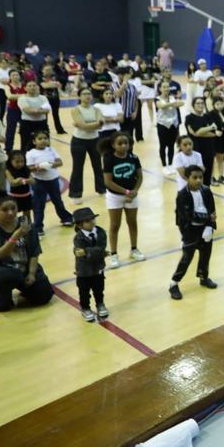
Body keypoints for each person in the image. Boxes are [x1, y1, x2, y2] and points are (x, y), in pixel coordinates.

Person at [0, 196, 55, 313]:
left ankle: (25, 290)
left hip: (24, 268)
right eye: (5, 210)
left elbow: (35, 251)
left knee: (44, 296)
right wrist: (16, 235)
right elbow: (1, 255)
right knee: (10, 279)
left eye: (13, 208)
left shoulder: (26, 224)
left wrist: (31, 273)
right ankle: (3, 297)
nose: (10, 213)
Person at [169, 166, 218, 299]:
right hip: (190, 231)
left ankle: (203, 277)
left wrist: (210, 226)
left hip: (205, 229)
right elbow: (189, 216)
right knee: (187, 258)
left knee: (205, 255)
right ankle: (174, 283)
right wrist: (208, 218)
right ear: (187, 178)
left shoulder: (206, 191)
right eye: (194, 177)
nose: (198, 180)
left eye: (200, 177)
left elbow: (212, 211)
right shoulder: (182, 195)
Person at [100, 133, 144, 267]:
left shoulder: (134, 158)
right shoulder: (109, 159)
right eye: (120, 143)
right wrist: (126, 192)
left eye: (126, 143)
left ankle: (134, 249)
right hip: (115, 196)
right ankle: (114, 254)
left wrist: (135, 191)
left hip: (131, 196)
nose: (123, 146)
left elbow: (140, 177)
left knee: (132, 223)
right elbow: (108, 182)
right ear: (113, 145)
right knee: (115, 225)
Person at [26, 130, 73, 234]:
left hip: (53, 180)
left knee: (58, 201)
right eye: (40, 139)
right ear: (34, 141)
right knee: (39, 205)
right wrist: (39, 167)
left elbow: (59, 162)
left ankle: (66, 218)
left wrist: (50, 165)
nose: (43, 140)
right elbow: (29, 168)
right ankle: (38, 227)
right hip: (39, 182)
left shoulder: (51, 150)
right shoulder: (31, 153)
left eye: (45, 138)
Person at [71, 206, 109, 322]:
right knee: (84, 292)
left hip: (98, 269)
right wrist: (100, 253)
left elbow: (101, 248)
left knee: (99, 289)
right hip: (84, 271)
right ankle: (85, 308)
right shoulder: (78, 238)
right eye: (88, 221)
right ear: (79, 225)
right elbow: (81, 254)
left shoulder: (101, 232)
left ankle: (100, 304)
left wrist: (87, 251)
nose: (92, 222)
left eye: (93, 219)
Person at [68, 87, 104, 199]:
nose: (87, 96)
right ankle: (75, 194)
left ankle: (102, 189)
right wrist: (93, 124)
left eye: (89, 93)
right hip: (79, 141)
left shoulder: (96, 109)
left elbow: (100, 124)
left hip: (95, 140)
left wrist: (86, 125)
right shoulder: (76, 109)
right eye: (84, 94)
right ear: (79, 96)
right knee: (78, 168)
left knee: (98, 166)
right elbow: (83, 126)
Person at [155, 80, 183, 172]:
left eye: (167, 87)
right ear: (160, 89)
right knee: (163, 145)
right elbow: (161, 106)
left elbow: (181, 103)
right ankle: (164, 165)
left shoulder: (172, 97)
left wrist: (171, 103)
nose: (166, 89)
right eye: (164, 87)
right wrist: (173, 103)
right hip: (162, 124)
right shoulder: (157, 99)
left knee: (171, 146)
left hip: (173, 124)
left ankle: (170, 164)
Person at [15, 80, 50, 153]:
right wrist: (40, 109)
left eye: (34, 85)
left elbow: (47, 110)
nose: (32, 87)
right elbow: (28, 111)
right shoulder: (22, 98)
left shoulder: (43, 98)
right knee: (26, 145)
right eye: (30, 86)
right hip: (27, 124)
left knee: (45, 145)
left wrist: (35, 110)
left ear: (37, 87)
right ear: (25, 88)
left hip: (42, 124)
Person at [209, 95, 224, 185]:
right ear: (214, 105)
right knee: (213, 159)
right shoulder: (210, 114)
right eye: (217, 104)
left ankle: (221, 176)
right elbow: (209, 125)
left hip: (223, 138)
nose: (219, 106)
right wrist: (215, 131)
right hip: (213, 138)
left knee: (221, 159)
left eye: (221, 104)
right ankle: (211, 177)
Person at [5, 150, 33, 215]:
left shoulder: (26, 169)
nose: (20, 164)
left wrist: (21, 180)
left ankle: (26, 222)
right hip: (14, 197)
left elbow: (33, 181)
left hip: (26, 196)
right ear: (11, 161)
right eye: (17, 162)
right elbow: (12, 183)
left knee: (27, 215)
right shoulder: (8, 171)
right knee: (13, 215)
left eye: (22, 161)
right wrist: (26, 181)